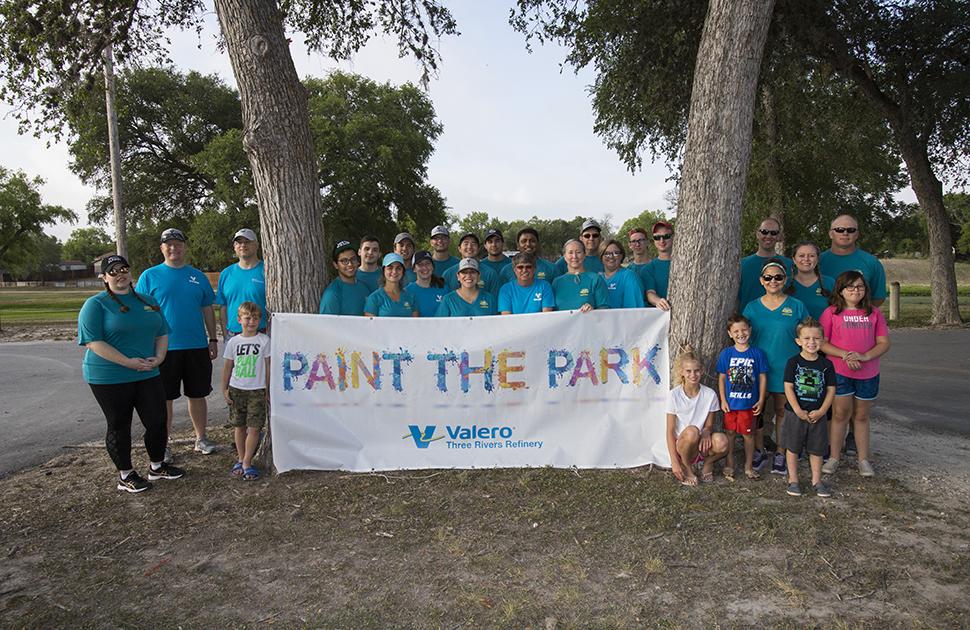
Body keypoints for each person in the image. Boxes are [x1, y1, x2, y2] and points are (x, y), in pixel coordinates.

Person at [78, 254, 184, 493]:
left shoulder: (148, 301)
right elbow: (93, 342)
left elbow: (162, 333)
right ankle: (125, 474)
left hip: (147, 371)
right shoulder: (96, 304)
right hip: (109, 375)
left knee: (157, 420)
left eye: (124, 268)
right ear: (103, 277)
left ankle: (157, 466)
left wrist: (159, 358)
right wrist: (127, 362)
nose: (120, 274)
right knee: (119, 424)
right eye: (113, 271)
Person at [135, 228, 219, 460]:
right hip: (164, 349)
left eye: (178, 244)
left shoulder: (198, 276)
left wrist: (212, 338)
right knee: (165, 398)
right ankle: (164, 444)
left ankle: (201, 438)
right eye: (168, 244)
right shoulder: (149, 276)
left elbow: (207, 309)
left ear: (185, 247)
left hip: (195, 346)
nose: (174, 248)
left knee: (198, 394)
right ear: (162, 248)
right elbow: (142, 313)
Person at [820, 272, 891, 477]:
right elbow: (823, 342)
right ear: (841, 290)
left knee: (861, 416)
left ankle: (863, 459)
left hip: (868, 372)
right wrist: (846, 355)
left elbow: (884, 342)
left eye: (859, 286)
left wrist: (865, 356)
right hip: (839, 371)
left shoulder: (874, 313)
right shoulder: (832, 312)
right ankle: (834, 457)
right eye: (850, 287)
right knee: (840, 414)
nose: (855, 291)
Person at [742, 259, 809, 475]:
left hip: (786, 367)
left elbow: (808, 335)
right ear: (762, 281)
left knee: (783, 411)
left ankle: (781, 451)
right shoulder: (751, 307)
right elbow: (743, 337)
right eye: (768, 277)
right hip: (757, 367)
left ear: (785, 280)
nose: (773, 281)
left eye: (778, 277)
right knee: (757, 412)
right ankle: (759, 450)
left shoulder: (796, 306)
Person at [782, 318, 836, 497]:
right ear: (798, 341)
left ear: (822, 340)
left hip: (817, 415)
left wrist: (822, 411)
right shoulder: (793, 362)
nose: (811, 342)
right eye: (806, 338)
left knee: (817, 448)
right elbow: (788, 387)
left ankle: (817, 481)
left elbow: (831, 390)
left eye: (816, 338)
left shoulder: (827, 365)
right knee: (793, 447)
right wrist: (797, 409)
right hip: (795, 413)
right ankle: (793, 480)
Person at [666, 346, 729, 486]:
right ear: (681, 372)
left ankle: (708, 462)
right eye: (688, 371)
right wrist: (674, 462)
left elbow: (709, 425)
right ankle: (686, 467)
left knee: (722, 441)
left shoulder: (710, 394)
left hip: (701, 444)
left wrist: (706, 432)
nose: (693, 375)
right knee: (692, 431)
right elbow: (670, 431)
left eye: (696, 371)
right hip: (683, 444)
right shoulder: (674, 395)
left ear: (702, 371)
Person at [221, 301, 270, 481]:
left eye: (255, 318)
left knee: (255, 427)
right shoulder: (233, 342)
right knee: (239, 426)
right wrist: (224, 388)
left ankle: (248, 462)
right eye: (247, 318)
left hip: (257, 390)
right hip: (237, 389)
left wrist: (267, 390)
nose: (251, 322)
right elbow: (228, 366)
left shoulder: (264, 341)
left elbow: (268, 365)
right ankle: (240, 458)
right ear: (239, 319)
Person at [716, 314, 768, 481]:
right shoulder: (726, 354)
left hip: (749, 404)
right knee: (730, 433)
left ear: (750, 331)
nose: (741, 334)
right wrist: (723, 400)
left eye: (744, 330)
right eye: (736, 331)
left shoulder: (757, 354)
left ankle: (748, 466)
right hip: (731, 404)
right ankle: (729, 461)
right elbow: (722, 378)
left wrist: (761, 399)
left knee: (748, 435)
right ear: (730, 334)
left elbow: (762, 377)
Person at [819, 214, 887, 307]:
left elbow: (878, 297)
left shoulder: (871, 262)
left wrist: (857, 315)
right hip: (819, 320)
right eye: (839, 229)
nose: (845, 233)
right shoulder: (816, 262)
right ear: (831, 234)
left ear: (857, 235)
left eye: (851, 230)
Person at [215, 228, 266, 340]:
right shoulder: (226, 273)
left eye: (247, 242)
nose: (243, 245)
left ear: (256, 245)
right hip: (233, 335)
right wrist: (225, 335)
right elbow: (223, 307)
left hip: (262, 334)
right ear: (234, 247)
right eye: (239, 242)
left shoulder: (267, 271)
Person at [738, 217, 794, 309]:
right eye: (764, 231)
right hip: (748, 320)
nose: (768, 236)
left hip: (780, 320)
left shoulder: (789, 265)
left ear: (779, 236)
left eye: (773, 233)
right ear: (757, 234)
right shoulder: (741, 265)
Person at [552, 239, 610, 312]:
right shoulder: (557, 282)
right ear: (564, 257)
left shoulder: (595, 279)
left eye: (578, 252)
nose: (574, 256)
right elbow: (551, 312)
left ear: (584, 255)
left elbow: (604, 308)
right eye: (570, 253)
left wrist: (593, 310)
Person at [319, 240, 370, 315]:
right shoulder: (332, 294)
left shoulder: (364, 288)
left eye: (353, 259)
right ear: (335, 265)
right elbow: (326, 325)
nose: (350, 264)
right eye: (344, 261)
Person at [786, 241, 834, 320]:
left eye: (811, 256)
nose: (806, 259)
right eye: (801, 255)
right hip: (792, 332)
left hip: (824, 331)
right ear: (794, 259)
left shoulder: (830, 283)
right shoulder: (784, 284)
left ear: (818, 259)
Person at [364, 253, 419, 317]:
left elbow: (415, 324)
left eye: (398, 268)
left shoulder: (410, 296)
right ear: (383, 271)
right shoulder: (374, 298)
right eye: (390, 268)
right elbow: (369, 325)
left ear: (403, 271)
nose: (394, 271)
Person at [599, 239, 644, 309]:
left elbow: (634, 311)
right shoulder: (597, 278)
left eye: (616, 253)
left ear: (621, 256)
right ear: (601, 257)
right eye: (606, 254)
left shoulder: (629, 277)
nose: (611, 257)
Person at [404, 250, 448, 317]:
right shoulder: (407, 292)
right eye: (420, 264)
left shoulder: (444, 289)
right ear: (414, 269)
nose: (424, 267)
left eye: (427, 263)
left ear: (432, 267)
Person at [642, 221, 674, 310]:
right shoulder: (648, 269)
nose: (662, 241)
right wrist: (658, 301)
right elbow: (650, 293)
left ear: (673, 237)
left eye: (666, 236)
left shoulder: (687, 264)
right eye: (657, 237)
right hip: (662, 316)